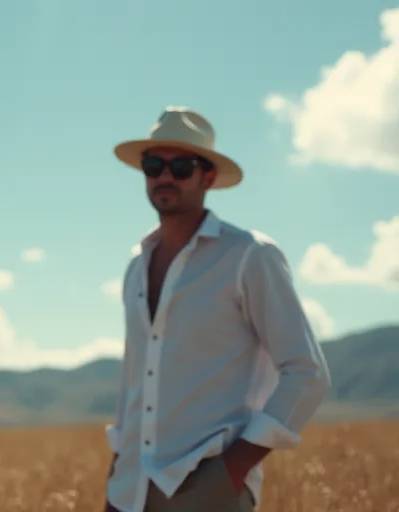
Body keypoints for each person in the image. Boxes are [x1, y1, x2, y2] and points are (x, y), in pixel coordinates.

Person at [103, 107, 331, 512]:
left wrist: (235, 467)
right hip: (130, 490)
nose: (165, 176)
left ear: (208, 177)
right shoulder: (136, 265)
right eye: (154, 165)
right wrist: (117, 475)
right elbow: (134, 378)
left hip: (205, 488)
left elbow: (306, 370)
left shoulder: (248, 256)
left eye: (181, 166)